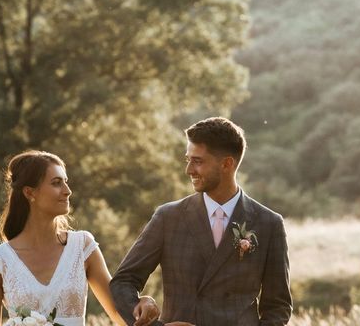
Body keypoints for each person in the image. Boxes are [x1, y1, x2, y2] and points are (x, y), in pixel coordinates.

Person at [110, 117, 293, 326]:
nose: (188, 170)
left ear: (227, 164)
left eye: (197, 161)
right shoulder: (168, 217)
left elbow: (277, 307)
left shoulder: (269, 223)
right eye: (187, 160)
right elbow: (123, 281)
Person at [0, 150, 159, 326]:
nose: (68, 191)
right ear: (30, 192)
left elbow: (120, 314)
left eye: (66, 182)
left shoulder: (82, 246)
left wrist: (143, 304)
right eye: (57, 183)